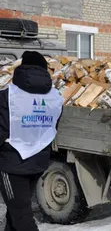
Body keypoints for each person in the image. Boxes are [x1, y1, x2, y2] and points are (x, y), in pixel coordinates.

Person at [0, 51, 63, 230]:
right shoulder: (55, 98)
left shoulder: (7, 96)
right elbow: (53, 127)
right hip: (38, 162)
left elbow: (2, 130)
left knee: (22, 218)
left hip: (12, 165)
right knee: (15, 213)